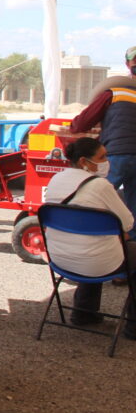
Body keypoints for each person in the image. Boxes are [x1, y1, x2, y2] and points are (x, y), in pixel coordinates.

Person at [44, 137, 136, 336]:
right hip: (96, 262)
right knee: (101, 248)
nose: (107, 161)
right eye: (102, 157)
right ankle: (133, 327)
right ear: (84, 161)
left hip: (60, 259)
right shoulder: (100, 185)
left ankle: (83, 313)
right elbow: (128, 223)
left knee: (89, 243)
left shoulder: (56, 179)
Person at [71, 47, 136, 224]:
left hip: (117, 154)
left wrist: (73, 126)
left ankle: (84, 230)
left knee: (96, 195)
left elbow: (82, 123)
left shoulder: (115, 93)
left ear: (128, 65)